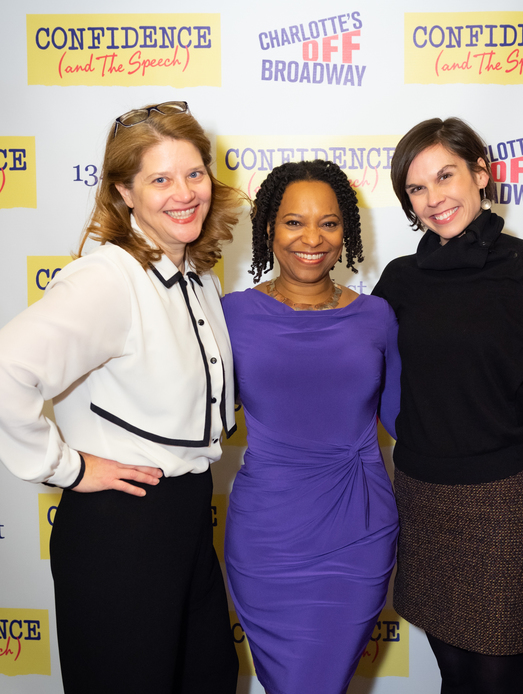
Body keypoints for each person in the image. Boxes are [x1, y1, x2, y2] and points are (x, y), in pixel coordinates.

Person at [0, 101, 240, 694]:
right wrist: (67, 468)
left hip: (186, 521)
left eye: (193, 173)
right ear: (123, 192)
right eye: (159, 179)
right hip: (120, 529)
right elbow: (6, 369)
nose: (184, 193)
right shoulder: (108, 278)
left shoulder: (200, 277)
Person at [373, 117, 523, 694]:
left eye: (446, 176)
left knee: (496, 682)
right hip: (419, 499)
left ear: (481, 174)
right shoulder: (399, 279)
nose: (434, 199)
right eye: (417, 188)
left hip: (502, 507)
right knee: (455, 678)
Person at [222, 160, 400, 694]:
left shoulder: (377, 316)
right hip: (267, 536)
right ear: (269, 230)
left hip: (359, 528)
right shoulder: (232, 314)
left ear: (346, 229)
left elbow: (404, 420)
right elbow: (192, 410)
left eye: (329, 222)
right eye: (293, 222)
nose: (312, 238)